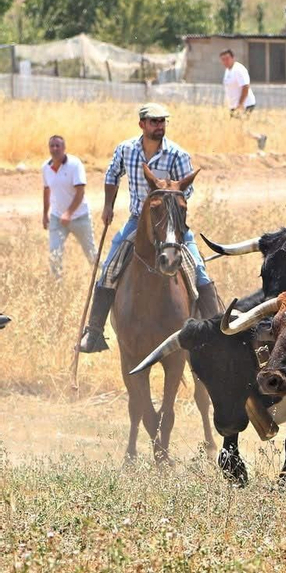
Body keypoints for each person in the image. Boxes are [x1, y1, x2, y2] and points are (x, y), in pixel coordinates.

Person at [80, 103, 220, 353]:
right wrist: (108, 206)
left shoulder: (178, 154)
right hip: (137, 220)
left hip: (172, 223)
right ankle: (94, 332)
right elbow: (112, 175)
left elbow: (187, 190)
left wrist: (168, 193)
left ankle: (218, 334)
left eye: (162, 122)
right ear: (142, 124)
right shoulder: (126, 149)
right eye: (154, 122)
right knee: (109, 267)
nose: (159, 126)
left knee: (198, 269)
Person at [42, 134, 95, 280]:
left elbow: (80, 191)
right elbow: (46, 191)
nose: (55, 149)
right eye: (52, 146)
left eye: (58, 145)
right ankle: (57, 286)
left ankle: (104, 281)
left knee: (91, 253)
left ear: (64, 148)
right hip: (57, 218)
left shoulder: (74, 164)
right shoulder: (46, 168)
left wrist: (69, 213)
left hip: (80, 217)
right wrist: (45, 214)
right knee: (55, 253)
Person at [220, 49, 255, 116]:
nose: (225, 61)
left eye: (227, 59)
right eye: (223, 59)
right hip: (233, 106)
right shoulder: (228, 70)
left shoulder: (238, 69)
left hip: (245, 105)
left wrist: (240, 104)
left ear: (233, 58)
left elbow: (245, 87)